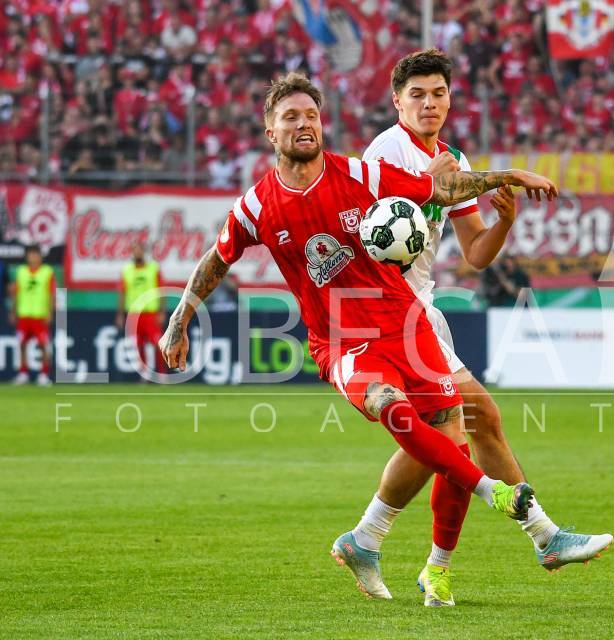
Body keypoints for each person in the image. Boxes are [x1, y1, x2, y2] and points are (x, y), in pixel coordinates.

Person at [159, 72, 566, 604]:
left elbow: (442, 189)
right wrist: (179, 318)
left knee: (452, 431)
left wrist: (508, 176)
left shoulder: (361, 175)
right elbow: (218, 258)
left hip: (403, 323)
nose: (304, 124)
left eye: (311, 115)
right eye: (290, 117)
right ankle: (498, 497)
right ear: (270, 131)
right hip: (342, 341)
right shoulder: (257, 206)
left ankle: (380, 548)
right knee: (389, 404)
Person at [350, 49, 613, 605]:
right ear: (397, 101)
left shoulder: (453, 156)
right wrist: (438, 183)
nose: (429, 103)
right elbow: (372, 233)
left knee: (449, 438)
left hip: (423, 309)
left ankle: (382, 546)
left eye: (438, 93)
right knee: (475, 422)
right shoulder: (386, 151)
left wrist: (503, 222)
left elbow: (474, 254)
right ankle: (543, 536)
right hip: (391, 310)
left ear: (450, 100)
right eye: (417, 94)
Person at [118, 241, 166, 378]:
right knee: (138, 346)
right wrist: (120, 314)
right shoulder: (127, 270)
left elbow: (161, 290)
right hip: (134, 314)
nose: (137, 253)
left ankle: (161, 374)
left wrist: (162, 311)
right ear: (132, 253)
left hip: (150, 313)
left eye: (139, 250)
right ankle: (145, 375)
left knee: (158, 344)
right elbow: (122, 293)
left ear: (144, 252)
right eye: (135, 250)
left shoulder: (153, 268)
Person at [11, 245, 55, 385]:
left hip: (39, 315)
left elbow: (52, 294)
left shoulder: (47, 272)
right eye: (31, 255)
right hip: (24, 314)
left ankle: (44, 374)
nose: (33, 257)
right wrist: (13, 311)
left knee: (43, 345)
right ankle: (23, 373)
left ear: (40, 256)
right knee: (22, 344)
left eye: (36, 254)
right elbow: (16, 293)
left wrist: (50, 312)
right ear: (27, 257)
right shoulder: (21, 272)